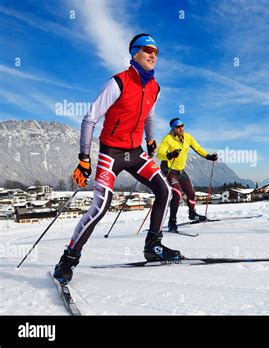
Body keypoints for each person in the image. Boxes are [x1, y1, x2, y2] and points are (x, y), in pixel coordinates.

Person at [53, 33, 180, 285]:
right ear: (134, 53)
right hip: (111, 153)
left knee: (164, 190)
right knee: (100, 207)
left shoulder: (154, 87)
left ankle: (153, 245)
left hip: (135, 152)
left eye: (155, 51)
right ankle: (68, 259)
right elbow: (89, 119)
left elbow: (149, 116)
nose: (153, 54)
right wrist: (84, 159)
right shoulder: (118, 82)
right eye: (146, 50)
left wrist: (150, 139)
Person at [157, 118, 218, 232]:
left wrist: (208, 156)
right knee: (177, 193)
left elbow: (198, 148)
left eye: (182, 126)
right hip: (169, 170)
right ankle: (172, 221)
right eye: (178, 127)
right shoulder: (167, 139)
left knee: (191, 193)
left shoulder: (188, 137)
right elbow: (159, 154)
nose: (181, 128)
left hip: (181, 171)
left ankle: (192, 213)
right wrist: (170, 155)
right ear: (173, 129)